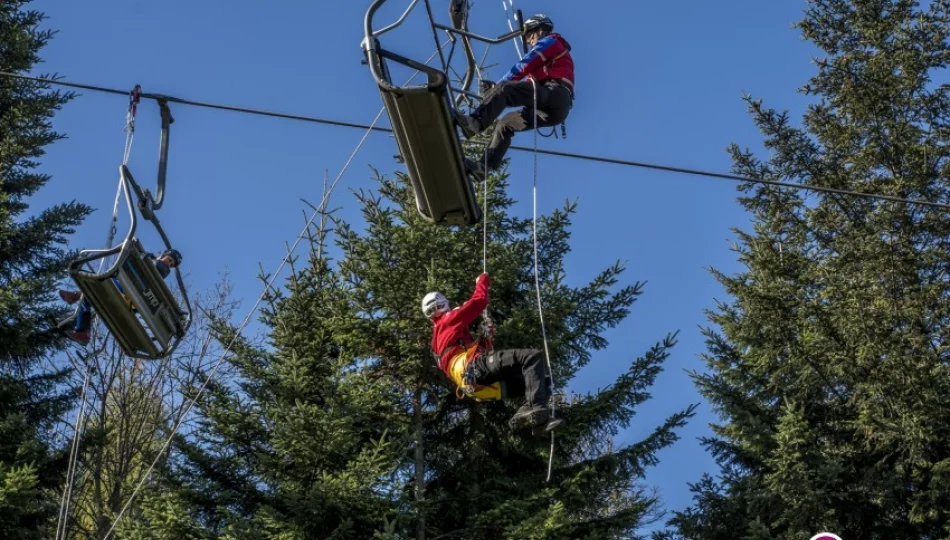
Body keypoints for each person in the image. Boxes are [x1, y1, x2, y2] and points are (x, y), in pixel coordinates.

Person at [423, 272, 561, 432]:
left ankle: (536, 421)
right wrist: (482, 281)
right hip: (474, 371)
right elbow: (479, 301)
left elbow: (481, 361)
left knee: (542, 382)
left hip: (478, 387)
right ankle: (534, 408)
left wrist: (485, 338)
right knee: (532, 357)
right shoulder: (447, 320)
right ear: (442, 304)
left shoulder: (439, 343)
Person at [454, 13, 574, 178]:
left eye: (530, 36)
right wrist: (495, 90)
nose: (530, 42)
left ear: (540, 30)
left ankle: (475, 123)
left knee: (506, 88)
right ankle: (484, 168)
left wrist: (499, 87)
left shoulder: (550, 42)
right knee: (506, 123)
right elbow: (522, 89)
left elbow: (524, 66)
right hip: (553, 108)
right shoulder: (548, 61)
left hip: (556, 93)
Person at [58, 248, 182, 345]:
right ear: (163, 254)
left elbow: (156, 266)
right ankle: (82, 331)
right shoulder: (147, 261)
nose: (168, 263)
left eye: (171, 263)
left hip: (131, 298)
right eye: (168, 259)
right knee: (89, 297)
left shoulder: (161, 268)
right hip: (125, 292)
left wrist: (148, 256)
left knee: (100, 283)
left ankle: (77, 295)